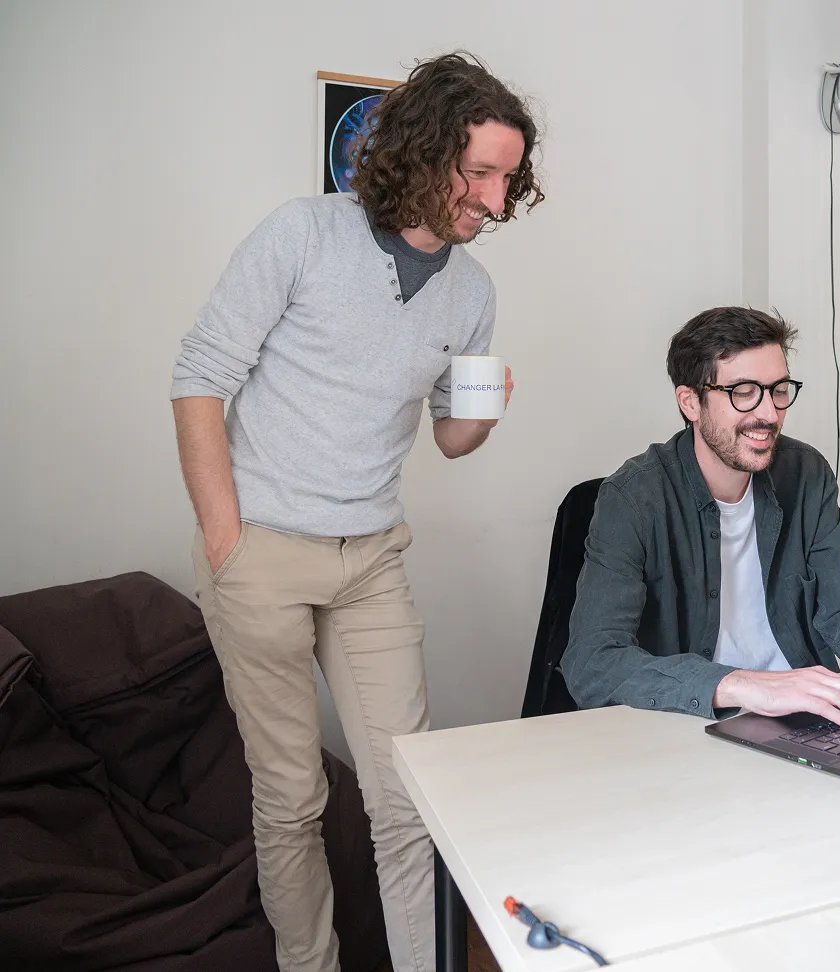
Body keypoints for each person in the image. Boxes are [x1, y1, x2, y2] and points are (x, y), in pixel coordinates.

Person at [168, 52, 541, 972]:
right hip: (263, 552)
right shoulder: (303, 233)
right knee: (291, 798)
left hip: (371, 553)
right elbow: (198, 381)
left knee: (409, 794)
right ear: (423, 151)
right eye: (480, 172)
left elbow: (450, 442)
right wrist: (227, 544)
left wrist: (484, 412)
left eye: (508, 178)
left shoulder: (472, 291)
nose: (495, 201)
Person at [561, 307, 840, 729]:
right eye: (744, 391)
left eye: (779, 389)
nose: (768, 413)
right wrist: (746, 685)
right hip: (691, 724)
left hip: (807, 718)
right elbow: (593, 662)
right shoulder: (634, 498)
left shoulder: (805, 474)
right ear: (690, 402)